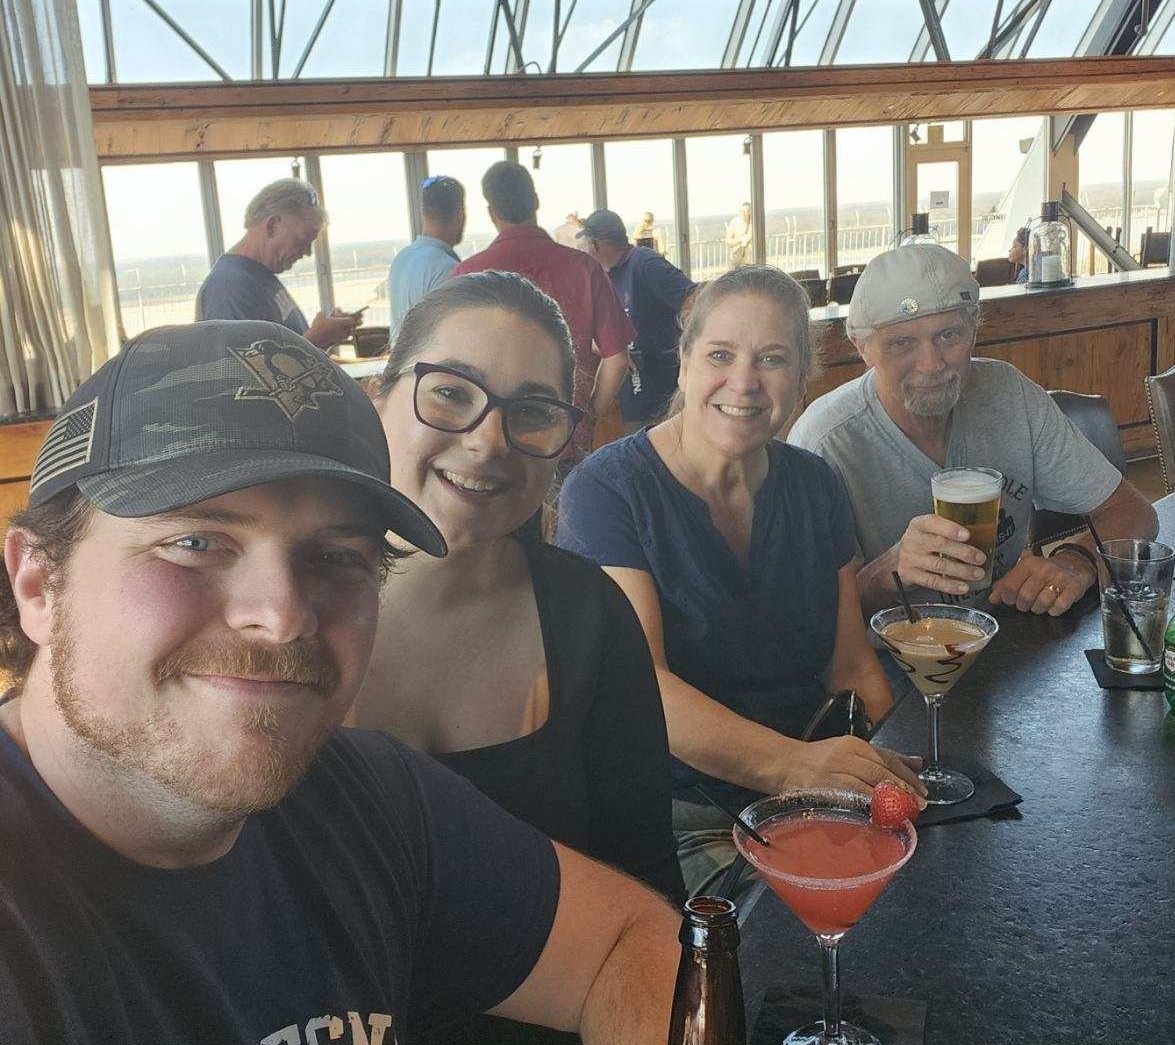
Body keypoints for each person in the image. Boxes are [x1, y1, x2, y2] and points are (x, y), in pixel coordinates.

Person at [0, 320, 680, 1044]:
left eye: (337, 558)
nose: (284, 615)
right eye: (194, 543)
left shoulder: (370, 799)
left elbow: (631, 944)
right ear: (39, 583)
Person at [556, 267, 924, 897]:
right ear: (684, 363)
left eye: (772, 359)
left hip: (809, 793)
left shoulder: (815, 483)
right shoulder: (608, 490)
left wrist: (901, 771)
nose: (745, 382)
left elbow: (852, 667)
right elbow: (645, 689)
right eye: (721, 355)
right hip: (679, 816)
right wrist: (797, 767)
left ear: (801, 379)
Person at [359, 271, 685, 915]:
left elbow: (647, 891)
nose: (486, 442)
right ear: (378, 399)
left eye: (532, 412)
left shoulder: (590, 619)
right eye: (450, 393)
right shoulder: (281, 607)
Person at [789, 242, 1159, 618]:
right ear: (862, 347)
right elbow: (810, 618)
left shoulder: (1010, 394)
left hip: (1003, 641)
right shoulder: (825, 441)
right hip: (889, 662)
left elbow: (1133, 512)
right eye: (902, 343)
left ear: (974, 331)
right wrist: (890, 570)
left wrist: (1076, 561)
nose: (931, 364)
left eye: (949, 335)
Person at [453, 162, 634, 452]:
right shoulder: (584, 268)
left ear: (491, 213)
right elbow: (617, 359)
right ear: (535, 201)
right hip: (566, 431)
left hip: (498, 435)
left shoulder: (469, 274)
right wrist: (588, 416)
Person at [195, 178, 361, 349]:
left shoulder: (259, 276)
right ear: (272, 226)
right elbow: (244, 372)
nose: (307, 252)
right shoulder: (228, 288)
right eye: (302, 240)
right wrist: (316, 340)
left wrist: (325, 335)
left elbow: (279, 351)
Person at [577, 209, 695, 432]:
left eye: (583, 244)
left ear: (594, 245)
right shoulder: (607, 276)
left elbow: (693, 299)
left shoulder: (644, 263)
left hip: (661, 388)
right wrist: (611, 349)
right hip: (634, 393)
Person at [388, 174, 466, 342]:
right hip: (429, 367)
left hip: (400, 365)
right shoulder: (448, 268)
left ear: (424, 213)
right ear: (460, 213)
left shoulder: (401, 259)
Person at [724, 203, 753, 270]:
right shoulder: (735, 222)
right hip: (739, 261)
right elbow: (728, 240)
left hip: (752, 261)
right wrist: (741, 239)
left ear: (750, 212)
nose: (743, 214)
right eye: (741, 211)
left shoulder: (755, 223)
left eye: (746, 211)